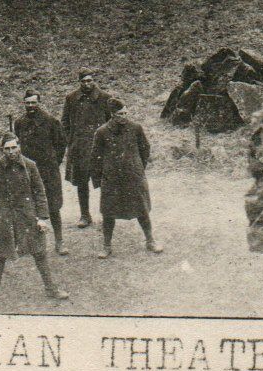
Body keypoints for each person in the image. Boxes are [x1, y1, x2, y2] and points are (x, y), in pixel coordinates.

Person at [0, 134, 70, 310]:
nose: (11, 152)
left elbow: (39, 192)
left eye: (14, 148)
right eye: (7, 149)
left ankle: (51, 289)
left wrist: (42, 217)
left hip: (28, 218)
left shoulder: (30, 165)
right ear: (2, 150)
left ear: (19, 147)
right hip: (5, 220)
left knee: (40, 254)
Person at [91, 97, 162, 257]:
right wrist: (98, 179)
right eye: (120, 114)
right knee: (108, 213)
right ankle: (106, 246)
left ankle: (150, 240)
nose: (124, 116)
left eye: (125, 113)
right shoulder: (102, 132)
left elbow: (145, 149)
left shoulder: (135, 128)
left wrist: (137, 168)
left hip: (133, 177)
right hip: (112, 179)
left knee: (142, 210)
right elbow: (96, 156)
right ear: (112, 114)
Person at [11, 90, 69, 255]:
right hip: (27, 171)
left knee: (53, 207)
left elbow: (61, 143)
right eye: (27, 103)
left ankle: (59, 242)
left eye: (33, 103)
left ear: (39, 102)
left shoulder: (51, 121)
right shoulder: (20, 123)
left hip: (48, 171)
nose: (30, 106)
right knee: (27, 206)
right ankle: (29, 244)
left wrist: (53, 162)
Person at [62, 70, 115, 229]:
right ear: (79, 82)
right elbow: (65, 122)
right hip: (80, 147)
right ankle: (85, 215)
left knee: (105, 181)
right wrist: (70, 141)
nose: (87, 84)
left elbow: (111, 122)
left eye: (90, 80)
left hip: (100, 147)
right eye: (83, 81)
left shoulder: (105, 98)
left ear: (94, 80)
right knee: (81, 182)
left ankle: (107, 214)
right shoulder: (71, 98)